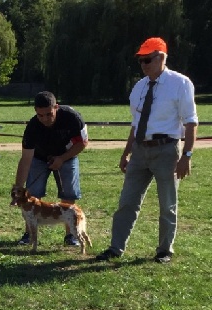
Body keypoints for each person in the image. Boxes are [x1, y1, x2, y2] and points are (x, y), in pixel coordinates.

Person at [96, 37, 198, 264]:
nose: (143, 65)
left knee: (167, 203)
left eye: (148, 60)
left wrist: (187, 155)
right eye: (141, 61)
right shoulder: (139, 86)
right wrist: (126, 152)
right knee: (127, 202)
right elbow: (136, 123)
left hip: (167, 149)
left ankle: (164, 250)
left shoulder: (180, 83)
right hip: (140, 151)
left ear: (162, 57)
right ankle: (115, 248)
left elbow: (191, 122)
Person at [13, 91, 89, 246]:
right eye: (40, 115)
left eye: (49, 114)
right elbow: (26, 159)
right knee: (32, 194)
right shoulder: (33, 127)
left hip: (67, 156)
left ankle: (71, 236)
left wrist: (62, 159)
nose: (45, 119)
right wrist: (18, 187)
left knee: (69, 194)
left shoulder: (72, 117)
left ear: (56, 107)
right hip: (40, 158)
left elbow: (82, 143)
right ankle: (29, 234)